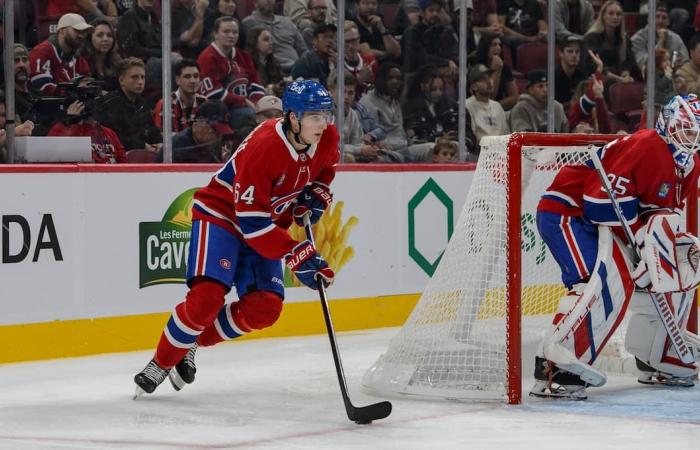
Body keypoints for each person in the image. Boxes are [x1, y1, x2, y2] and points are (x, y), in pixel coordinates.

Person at [133, 80, 339, 396]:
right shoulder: (265, 147)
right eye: (313, 116)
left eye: (325, 114)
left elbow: (326, 168)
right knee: (206, 299)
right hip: (223, 216)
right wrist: (296, 253)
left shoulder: (327, 137)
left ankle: (190, 341)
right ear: (292, 118)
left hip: (266, 225)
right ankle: (161, 363)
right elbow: (251, 223)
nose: (322, 123)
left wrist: (317, 193)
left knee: (266, 308)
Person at [530, 94, 700, 400]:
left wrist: (655, 249)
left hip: (608, 226)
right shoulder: (648, 145)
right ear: (668, 123)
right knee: (594, 284)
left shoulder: (690, 163)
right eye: (687, 129)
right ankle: (555, 370)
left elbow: (662, 212)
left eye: (697, 131)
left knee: (678, 267)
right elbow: (598, 203)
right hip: (570, 214)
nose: (693, 138)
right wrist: (639, 237)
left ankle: (657, 355)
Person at [47, 79, 128, 164]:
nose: (92, 100)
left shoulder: (109, 133)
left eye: (95, 94)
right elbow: (61, 161)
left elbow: (125, 166)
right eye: (87, 94)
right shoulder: (60, 128)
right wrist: (74, 123)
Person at [94, 57, 163, 151]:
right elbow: (112, 137)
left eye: (143, 77)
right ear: (121, 80)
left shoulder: (143, 104)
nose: (140, 82)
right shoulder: (109, 103)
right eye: (135, 77)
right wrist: (142, 146)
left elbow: (152, 131)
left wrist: (160, 143)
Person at [29, 13, 92, 95]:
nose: (81, 36)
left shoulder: (80, 61)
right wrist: (76, 91)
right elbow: (43, 89)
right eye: (77, 30)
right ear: (62, 30)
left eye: (84, 32)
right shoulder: (42, 52)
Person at [241, 0, 309, 74]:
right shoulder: (248, 23)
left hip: (298, 68)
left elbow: (303, 50)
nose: (269, 1)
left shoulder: (286, 21)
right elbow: (251, 54)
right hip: (273, 71)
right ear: (255, 2)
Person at [156, 101, 235, 163]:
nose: (219, 137)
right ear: (199, 123)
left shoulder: (212, 146)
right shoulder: (179, 148)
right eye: (215, 131)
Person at [631, 3, 688, 74]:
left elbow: (686, 62)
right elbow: (645, 65)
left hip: (672, 77)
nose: (660, 21)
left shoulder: (676, 38)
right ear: (649, 19)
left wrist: (679, 64)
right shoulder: (637, 39)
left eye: (664, 18)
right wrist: (661, 41)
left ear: (668, 22)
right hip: (646, 79)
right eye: (657, 17)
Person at [153, 59, 207, 132]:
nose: (193, 81)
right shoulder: (166, 105)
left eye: (196, 76)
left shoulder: (205, 102)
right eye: (187, 77)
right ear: (178, 80)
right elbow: (168, 140)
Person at [465, 63, 508, 154]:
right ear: (474, 87)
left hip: (501, 152)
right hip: (479, 152)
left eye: (489, 77)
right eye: (483, 80)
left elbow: (506, 134)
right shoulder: (467, 105)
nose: (489, 82)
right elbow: (471, 137)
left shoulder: (497, 106)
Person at [82, 19, 122, 92]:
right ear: (89, 38)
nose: (105, 39)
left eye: (109, 35)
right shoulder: (81, 62)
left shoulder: (117, 63)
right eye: (99, 35)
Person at [245, 26, 286, 98]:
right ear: (254, 42)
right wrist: (272, 88)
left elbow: (280, 82)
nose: (271, 43)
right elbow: (250, 90)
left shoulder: (273, 62)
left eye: (271, 40)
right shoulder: (246, 63)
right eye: (266, 39)